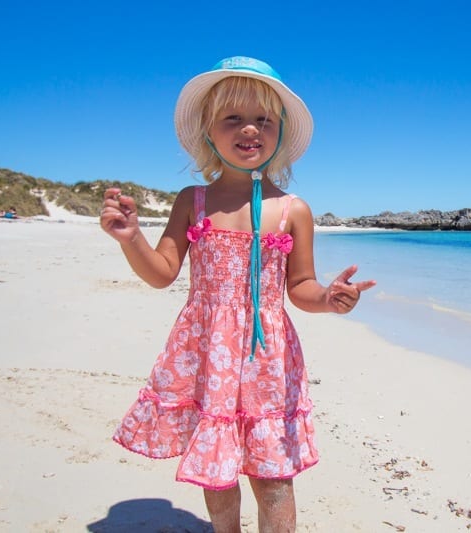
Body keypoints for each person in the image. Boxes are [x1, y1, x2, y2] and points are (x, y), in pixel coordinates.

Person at [99, 56, 375, 532]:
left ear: (280, 134)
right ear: (209, 130)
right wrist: (132, 239)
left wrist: (329, 298)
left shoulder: (293, 210)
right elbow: (163, 272)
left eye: (264, 120)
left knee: (273, 476)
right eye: (233, 118)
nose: (250, 129)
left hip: (266, 359)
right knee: (218, 470)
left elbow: (300, 287)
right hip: (206, 352)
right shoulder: (193, 201)